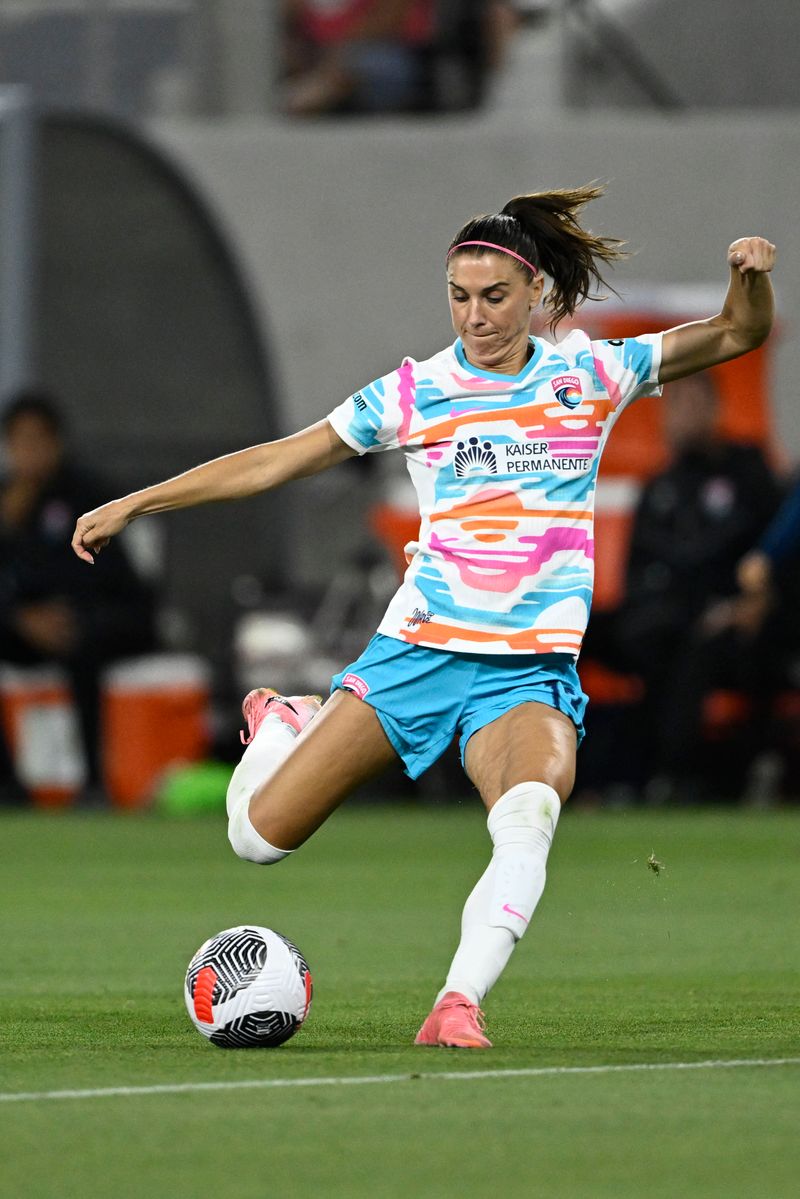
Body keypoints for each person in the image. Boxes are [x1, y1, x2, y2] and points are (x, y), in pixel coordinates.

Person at [71, 185, 776, 1047]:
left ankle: (458, 1002)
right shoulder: (416, 393)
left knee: (530, 816)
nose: (475, 316)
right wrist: (140, 503)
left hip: (525, 672)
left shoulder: (591, 375)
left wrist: (748, 280)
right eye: (459, 296)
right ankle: (287, 721)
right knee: (257, 841)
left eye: (493, 297)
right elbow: (276, 460)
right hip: (418, 652)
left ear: (536, 297)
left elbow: (740, 333)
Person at [579, 370, 783, 803]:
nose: (683, 414)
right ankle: (552, 764)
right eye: (676, 405)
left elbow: (770, 561)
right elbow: (637, 572)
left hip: (722, 622)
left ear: (714, 408)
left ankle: (673, 777)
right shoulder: (659, 487)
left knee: (690, 649)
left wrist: (745, 603)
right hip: (656, 619)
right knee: (571, 636)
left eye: (694, 403)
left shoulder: (750, 474)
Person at [0, 392, 156, 803]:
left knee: (80, 643)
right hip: (27, 624)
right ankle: (9, 784)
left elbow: (105, 571)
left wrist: (59, 612)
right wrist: (19, 615)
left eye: (37, 441)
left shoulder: (88, 493)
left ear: (56, 442)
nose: (27, 453)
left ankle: (93, 782)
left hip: (101, 616)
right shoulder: (8, 501)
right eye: (18, 442)